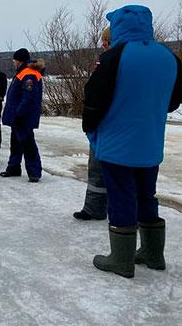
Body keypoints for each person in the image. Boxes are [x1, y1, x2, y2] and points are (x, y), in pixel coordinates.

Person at [83, 5, 182, 278]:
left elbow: (94, 99)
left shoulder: (114, 56)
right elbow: (173, 102)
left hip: (117, 143)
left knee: (121, 196)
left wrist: (90, 128)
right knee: (145, 194)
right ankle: (153, 253)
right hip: (150, 142)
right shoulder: (169, 57)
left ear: (118, 27)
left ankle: (122, 259)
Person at [74, 28, 112, 221]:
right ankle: (94, 208)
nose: (104, 44)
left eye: (106, 40)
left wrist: (89, 124)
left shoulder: (111, 61)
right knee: (97, 170)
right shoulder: (104, 60)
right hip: (104, 126)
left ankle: (123, 217)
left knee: (106, 169)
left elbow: (96, 95)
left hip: (107, 126)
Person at [0, 48, 44, 182]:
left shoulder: (28, 75)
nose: (13, 62)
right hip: (17, 116)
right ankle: (13, 167)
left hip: (23, 117)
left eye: (15, 60)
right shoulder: (22, 73)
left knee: (27, 143)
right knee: (16, 143)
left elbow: (28, 98)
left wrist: (19, 114)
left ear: (19, 61)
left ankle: (34, 172)